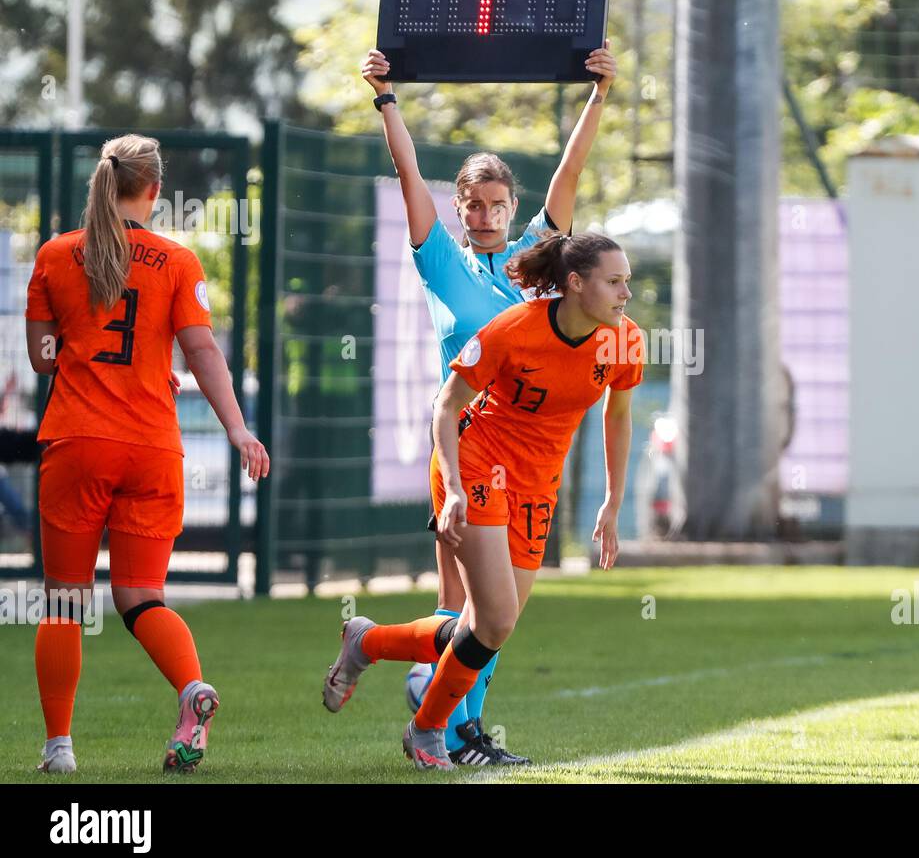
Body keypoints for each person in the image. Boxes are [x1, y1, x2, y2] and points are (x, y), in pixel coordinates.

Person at [322, 43, 616, 765]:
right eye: (473, 205)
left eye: (496, 205)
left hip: (534, 457)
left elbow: (568, 175)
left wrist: (598, 96)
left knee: (490, 618)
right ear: (459, 209)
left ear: (512, 208)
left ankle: (372, 645)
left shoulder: (537, 265)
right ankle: (456, 735)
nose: (485, 215)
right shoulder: (440, 260)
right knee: (475, 613)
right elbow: (406, 172)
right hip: (467, 442)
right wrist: (386, 98)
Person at [324, 231, 643, 769]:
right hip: (477, 465)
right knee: (493, 620)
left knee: (489, 624)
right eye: (614, 282)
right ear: (574, 283)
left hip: (538, 485)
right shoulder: (514, 329)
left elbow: (618, 415)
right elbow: (446, 408)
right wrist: (450, 488)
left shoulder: (624, 340)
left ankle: (367, 642)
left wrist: (613, 501)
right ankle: (428, 731)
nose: (625, 294)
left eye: (627, 282)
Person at [24, 134, 269, 774]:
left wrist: (73, 351)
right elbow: (204, 353)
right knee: (142, 597)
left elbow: (40, 359)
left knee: (65, 602)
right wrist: (240, 430)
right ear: (154, 190)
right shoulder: (177, 261)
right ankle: (191, 689)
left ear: (100, 183)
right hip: (152, 449)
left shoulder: (55, 256)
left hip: (78, 442)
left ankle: (60, 749)